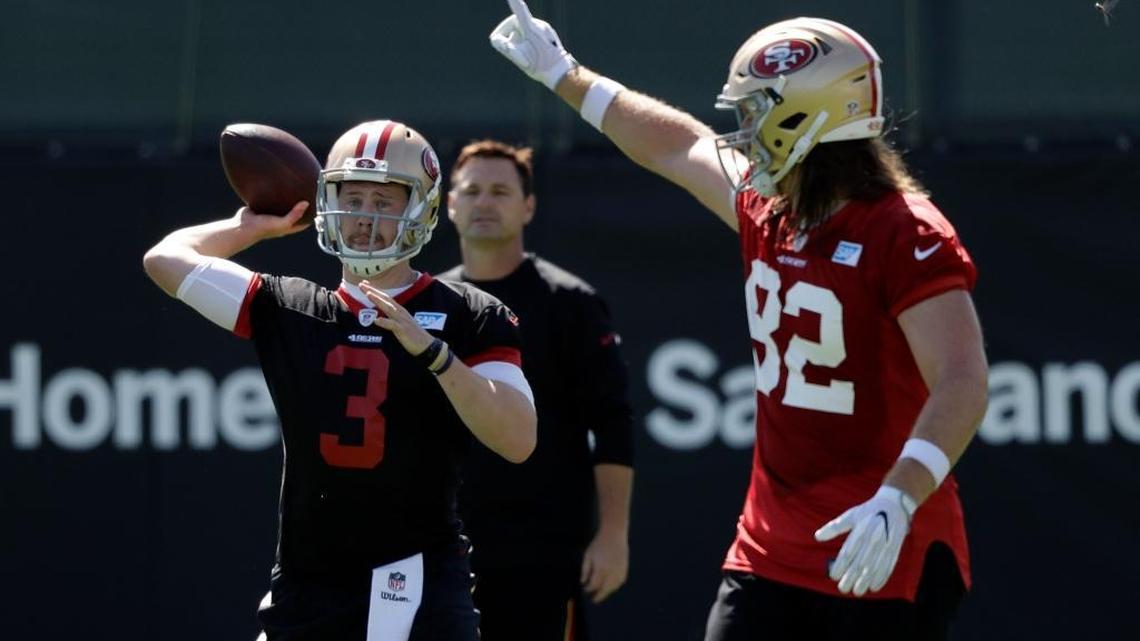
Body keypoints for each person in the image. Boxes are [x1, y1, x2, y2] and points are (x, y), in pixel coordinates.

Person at [488, 3, 989, 640]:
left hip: (881, 535)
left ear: (808, 115)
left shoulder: (902, 230)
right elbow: (679, 145)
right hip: (771, 542)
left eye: (757, 111)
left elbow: (963, 380)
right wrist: (565, 73)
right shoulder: (767, 206)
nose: (743, 130)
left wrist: (898, 496)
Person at [142, 119, 537, 641]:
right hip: (309, 584)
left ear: (423, 209)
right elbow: (164, 260)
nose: (364, 218)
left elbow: (518, 439)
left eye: (384, 201)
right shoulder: (293, 307)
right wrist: (251, 226)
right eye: (352, 198)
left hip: (416, 580)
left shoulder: (468, 313)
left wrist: (437, 357)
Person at [440, 140, 634, 641]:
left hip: (543, 557)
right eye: (472, 190)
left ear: (528, 206)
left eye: (501, 191)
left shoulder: (570, 302)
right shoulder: (429, 305)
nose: (485, 202)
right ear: (450, 205)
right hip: (443, 553)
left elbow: (612, 424)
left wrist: (613, 535)